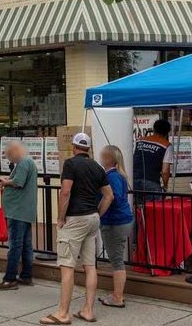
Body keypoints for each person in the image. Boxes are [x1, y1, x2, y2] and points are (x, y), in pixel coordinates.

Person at [40, 133, 113, 325]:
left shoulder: (70, 164)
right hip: (92, 218)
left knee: (67, 266)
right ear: (88, 148)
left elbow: (65, 192)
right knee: (90, 266)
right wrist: (97, 213)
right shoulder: (97, 167)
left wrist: (60, 217)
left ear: (73, 147)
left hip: (74, 218)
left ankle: (63, 313)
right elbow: (109, 196)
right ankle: (88, 310)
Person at [0, 141, 38, 290]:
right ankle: (26, 275)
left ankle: (10, 278)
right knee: (26, 245)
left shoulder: (23, 163)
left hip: (18, 211)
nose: (10, 158)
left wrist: (6, 182)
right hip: (24, 211)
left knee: (15, 245)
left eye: (9, 155)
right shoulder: (28, 162)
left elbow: (19, 182)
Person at [98, 145, 133, 308]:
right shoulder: (119, 175)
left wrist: (99, 212)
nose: (101, 158)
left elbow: (112, 197)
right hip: (121, 220)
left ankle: (118, 296)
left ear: (109, 159)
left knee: (117, 260)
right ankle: (116, 294)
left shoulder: (111, 177)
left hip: (115, 221)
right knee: (116, 258)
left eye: (103, 156)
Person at [132, 119, 173, 195]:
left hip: (134, 180)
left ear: (154, 129)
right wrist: (165, 186)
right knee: (154, 203)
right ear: (167, 132)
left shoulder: (139, 141)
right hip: (152, 182)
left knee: (135, 202)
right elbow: (165, 171)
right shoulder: (166, 145)